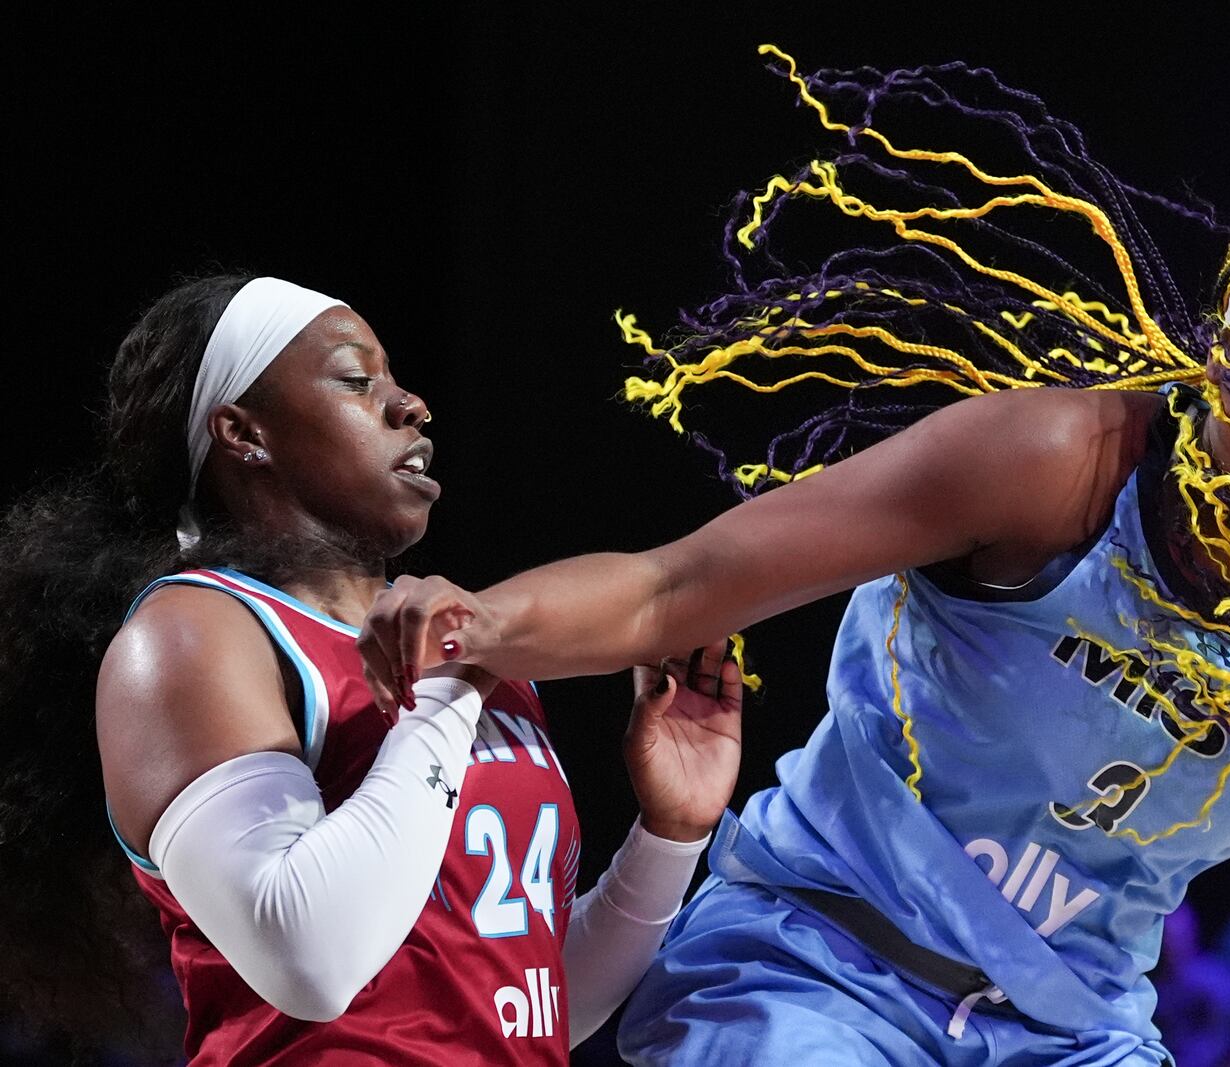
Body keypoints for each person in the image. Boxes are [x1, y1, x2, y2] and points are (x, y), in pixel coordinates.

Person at [358, 52, 1230, 1065]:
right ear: (1214, 354)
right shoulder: (1057, 464)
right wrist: (474, 618)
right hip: (813, 966)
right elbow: (676, 584)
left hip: (1077, 1036)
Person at [0, 273, 742, 1066]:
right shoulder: (194, 630)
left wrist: (669, 837)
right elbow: (309, 960)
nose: (411, 404)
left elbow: (521, 1001)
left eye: (396, 380)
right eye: (357, 380)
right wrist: (453, 684)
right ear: (243, 432)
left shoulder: (473, 655)